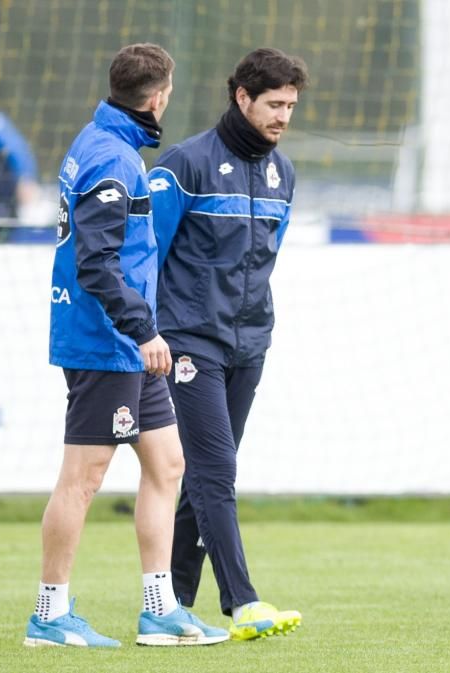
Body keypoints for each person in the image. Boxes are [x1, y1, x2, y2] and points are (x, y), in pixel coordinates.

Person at [25, 43, 228, 649]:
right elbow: (97, 264)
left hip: (126, 345)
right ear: (160, 95)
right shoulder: (114, 160)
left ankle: (159, 610)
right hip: (107, 344)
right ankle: (49, 614)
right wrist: (143, 329)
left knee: (167, 465)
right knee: (82, 480)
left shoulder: (99, 139)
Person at [147, 47, 309, 641]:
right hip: (190, 342)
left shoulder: (283, 174)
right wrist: (151, 330)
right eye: (274, 104)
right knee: (215, 472)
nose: (283, 117)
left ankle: (171, 606)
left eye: (291, 106)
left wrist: (255, 332)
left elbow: (267, 257)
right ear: (242, 97)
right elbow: (147, 253)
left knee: (204, 475)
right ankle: (243, 602)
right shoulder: (183, 165)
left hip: (249, 345)